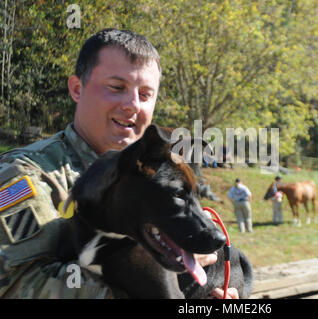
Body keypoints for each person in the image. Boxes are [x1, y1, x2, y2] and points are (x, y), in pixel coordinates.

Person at [0, 29, 238, 299]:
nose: (133, 105)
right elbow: (19, 284)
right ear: (77, 89)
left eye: (146, 95)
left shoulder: (157, 177)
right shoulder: (26, 173)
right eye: (117, 88)